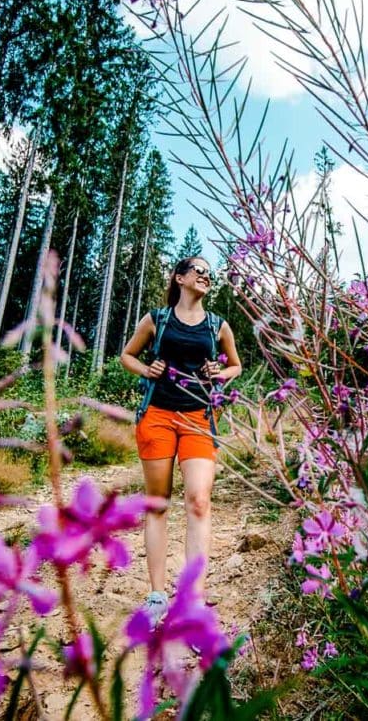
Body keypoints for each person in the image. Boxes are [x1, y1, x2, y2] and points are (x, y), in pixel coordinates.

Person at [121, 256, 242, 624]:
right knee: (158, 505)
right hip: (156, 416)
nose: (205, 276)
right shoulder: (157, 319)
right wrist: (147, 368)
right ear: (180, 277)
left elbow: (235, 365)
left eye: (209, 273)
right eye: (198, 270)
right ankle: (157, 596)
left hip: (198, 419)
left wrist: (220, 373)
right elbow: (127, 355)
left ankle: (193, 601)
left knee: (200, 502)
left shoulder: (217, 325)